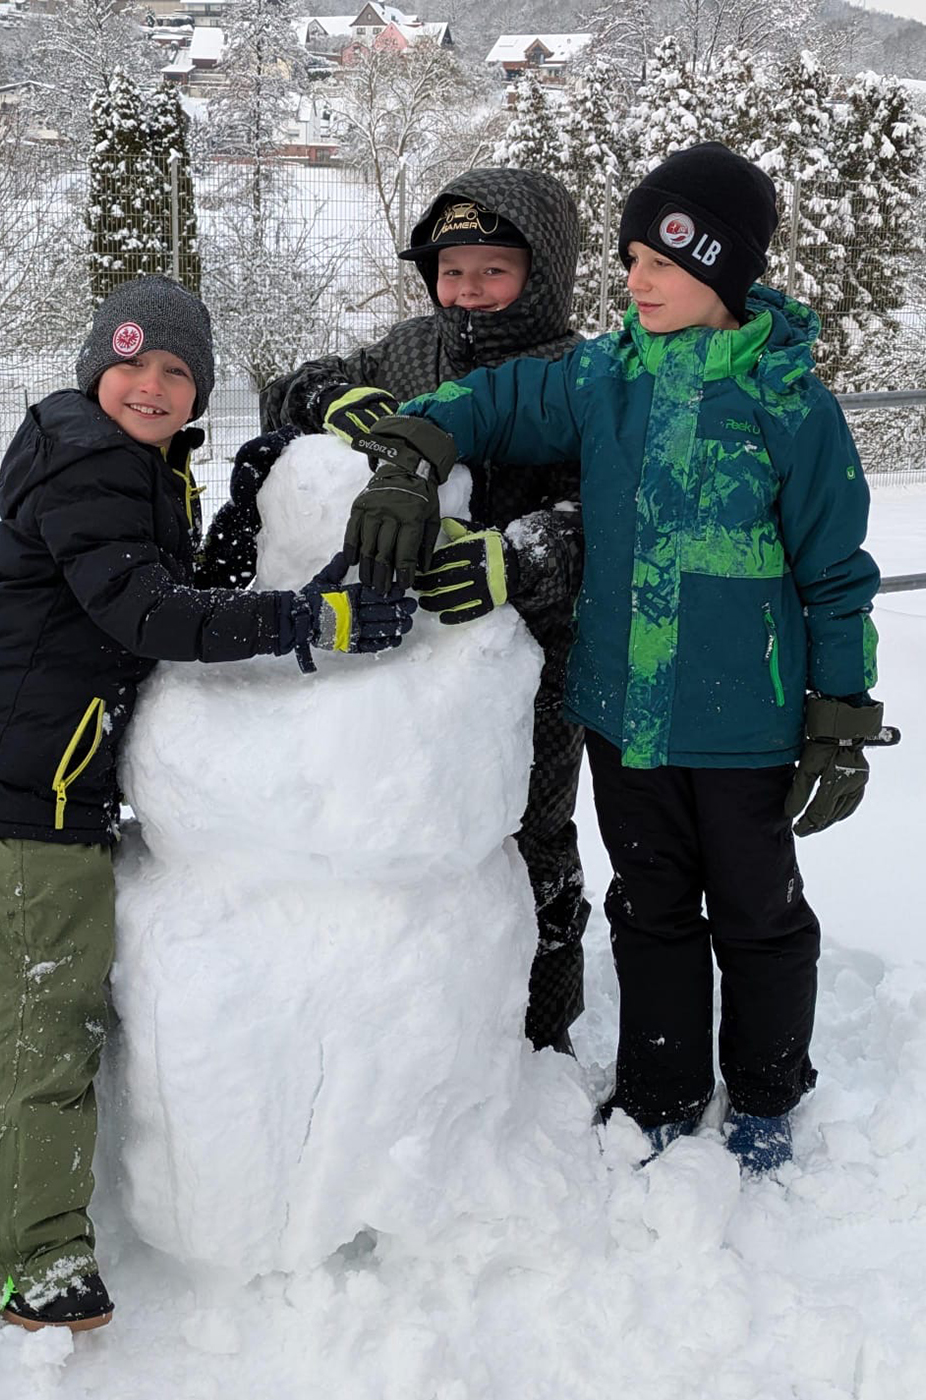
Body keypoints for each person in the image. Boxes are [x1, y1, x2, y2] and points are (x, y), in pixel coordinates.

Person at [342, 143, 897, 1174]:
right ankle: (661, 1088)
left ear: (720, 270)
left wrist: (843, 710)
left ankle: (769, 1091)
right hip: (622, 716)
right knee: (649, 911)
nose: (633, 279)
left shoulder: (790, 408)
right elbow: (493, 401)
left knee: (758, 915)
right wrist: (418, 452)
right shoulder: (603, 377)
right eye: (630, 256)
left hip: (746, 726)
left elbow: (835, 571)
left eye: (659, 261)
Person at [0, 275, 416, 1332]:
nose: (151, 383)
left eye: (176, 370)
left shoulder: (122, 468)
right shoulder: (93, 462)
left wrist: (239, 510)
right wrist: (311, 619)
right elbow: (145, 610)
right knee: (40, 1011)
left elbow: (164, 579)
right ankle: (20, 1258)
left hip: (18, 763)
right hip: (41, 775)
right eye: (131, 363)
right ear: (97, 371)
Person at [227, 168, 590, 1056]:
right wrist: (332, 398)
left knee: (533, 831)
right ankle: (422, 1012)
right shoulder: (407, 351)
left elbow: (607, 515)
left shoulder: (583, 374)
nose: (466, 290)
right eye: (450, 270)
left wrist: (522, 559)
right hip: (410, 658)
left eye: (491, 270)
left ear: (540, 275)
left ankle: (543, 1026)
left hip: (537, 656)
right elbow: (291, 386)